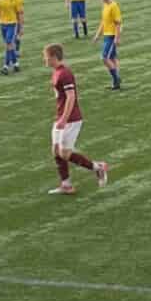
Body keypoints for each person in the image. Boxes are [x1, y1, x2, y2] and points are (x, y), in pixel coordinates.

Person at [43, 44, 109, 195]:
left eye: (46, 57)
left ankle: (98, 167)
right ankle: (66, 185)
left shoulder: (65, 74)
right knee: (56, 151)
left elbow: (71, 96)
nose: (44, 60)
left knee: (64, 153)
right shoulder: (56, 72)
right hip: (61, 117)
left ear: (54, 57)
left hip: (71, 119)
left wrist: (64, 119)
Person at [94, 0, 123, 90]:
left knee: (104, 57)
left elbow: (118, 23)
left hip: (111, 35)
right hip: (106, 35)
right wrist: (98, 35)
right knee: (112, 58)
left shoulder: (113, 6)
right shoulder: (105, 5)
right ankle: (117, 81)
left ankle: (116, 79)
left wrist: (117, 37)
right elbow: (103, 22)